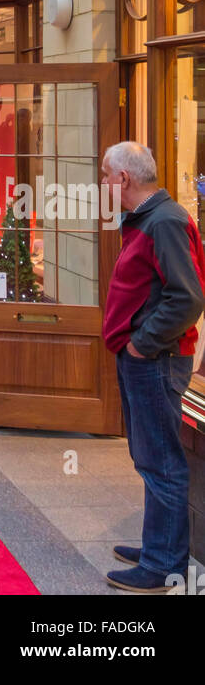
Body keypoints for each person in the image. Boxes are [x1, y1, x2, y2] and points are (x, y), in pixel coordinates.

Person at [101, 142, 205, 593]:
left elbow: (188, 298)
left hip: (156, 360)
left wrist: (143, 345)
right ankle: (158, 547)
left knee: (161, 461)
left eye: (106, 174)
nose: (103, 182)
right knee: (150, 458)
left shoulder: (164, 221)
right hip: (148, 357)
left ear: (124, 179)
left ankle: (164, 565)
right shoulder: (153, 218)